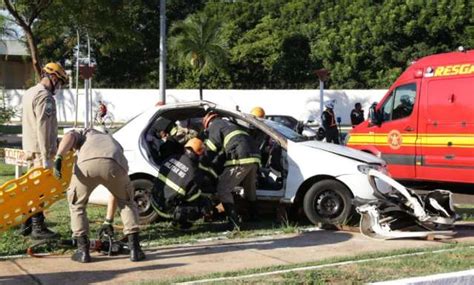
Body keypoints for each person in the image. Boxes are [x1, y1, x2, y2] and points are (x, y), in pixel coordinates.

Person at [53, 128, 145, 263]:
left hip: (87, 164)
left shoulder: (84, 132)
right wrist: (108, 220)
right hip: (115, 162)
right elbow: (115, 194)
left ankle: (83, 251)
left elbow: (69, 136)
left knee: (77, 205)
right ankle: (135, 250)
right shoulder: (112, 141)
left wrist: (59, 156)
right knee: (126, 202)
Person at [20, 62, 68, 239]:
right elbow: (42, 126)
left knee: (32, 188)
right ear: (53, 77)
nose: (59, 87)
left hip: (30, 149)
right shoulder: (45, 97)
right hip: (40, 152)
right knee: (40, 190)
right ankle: (37, 227)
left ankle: (26, 224)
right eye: (60, 82)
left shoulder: (30, 92)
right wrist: (47, 157)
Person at [201, 112, 261, 231]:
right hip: (254, 157)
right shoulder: (230, 124)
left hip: (241, 157)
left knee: (223, 189)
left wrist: (203, 162)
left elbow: (212, 148)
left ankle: (234, 222)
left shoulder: (215, 125)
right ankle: (254, 216)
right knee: (250, 189)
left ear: (208, 123)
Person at [150, 138, 214, 229]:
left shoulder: (172, 158)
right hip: (166, 210)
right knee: (202, 203)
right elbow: (192, 197)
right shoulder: (194, 172)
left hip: (153, 200)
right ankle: (182, 224)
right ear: (199, 153)